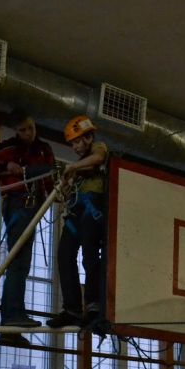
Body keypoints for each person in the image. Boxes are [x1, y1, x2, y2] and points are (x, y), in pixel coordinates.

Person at [0, 110, 55, 345]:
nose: (29, 133)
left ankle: (12, 325)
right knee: (17, 260)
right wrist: (6, 164)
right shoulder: (9, 148)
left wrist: (52, 197)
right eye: (23, 130)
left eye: (31, 128)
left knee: (22, 262)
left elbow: (50, 175)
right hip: (18, 203)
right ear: (16, 131)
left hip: (35, 204)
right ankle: (11, 316)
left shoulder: (44, 149)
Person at [47, 115, 108, 329]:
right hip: (76, 211)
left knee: (90, 254)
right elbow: (67, 190)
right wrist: (66, 182)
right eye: (72, 144)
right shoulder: (79, 169)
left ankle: (93, 304)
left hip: (92, 208)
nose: (74, 147)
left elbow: (98, 158)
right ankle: (71, 308)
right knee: (65, 254)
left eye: (77, 142)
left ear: (88, 137)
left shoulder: (98, 148)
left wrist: (72, 168)